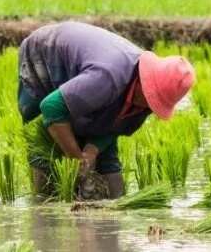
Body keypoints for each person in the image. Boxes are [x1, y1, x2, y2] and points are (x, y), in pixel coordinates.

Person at [17, 21, 195, 199]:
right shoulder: (107, 77)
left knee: (104, 156)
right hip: (46, 52)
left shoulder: (142, 103)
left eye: (156, 103)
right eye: (151, 98)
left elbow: (113, 128)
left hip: (91, 73)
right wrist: (76, 158)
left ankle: (112, 209)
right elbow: (51, 107)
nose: (149, 107)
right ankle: (41, 204)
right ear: (143, 81)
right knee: (42, 142)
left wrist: (91, 152)